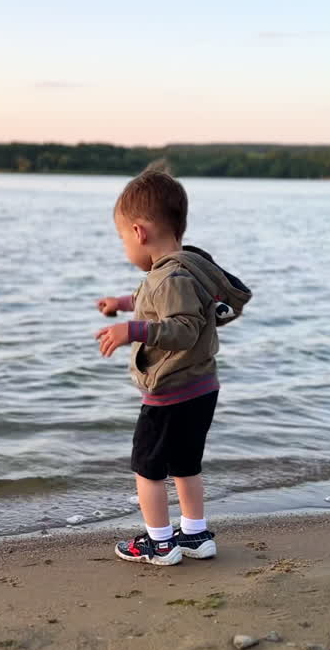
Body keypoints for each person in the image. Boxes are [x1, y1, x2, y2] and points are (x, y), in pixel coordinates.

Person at [96, 168, 250, 566]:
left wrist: (132, 329)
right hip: (201, 387)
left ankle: (160, 542)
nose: (124, 246)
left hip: (171, 392)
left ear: (139, 232)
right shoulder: (185, 267)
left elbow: (182, 326)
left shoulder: (169, 276)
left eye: (122, 238)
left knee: (147, 468)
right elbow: (162, 302)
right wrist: (123, 302)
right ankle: (195, 536)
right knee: (185, 464)